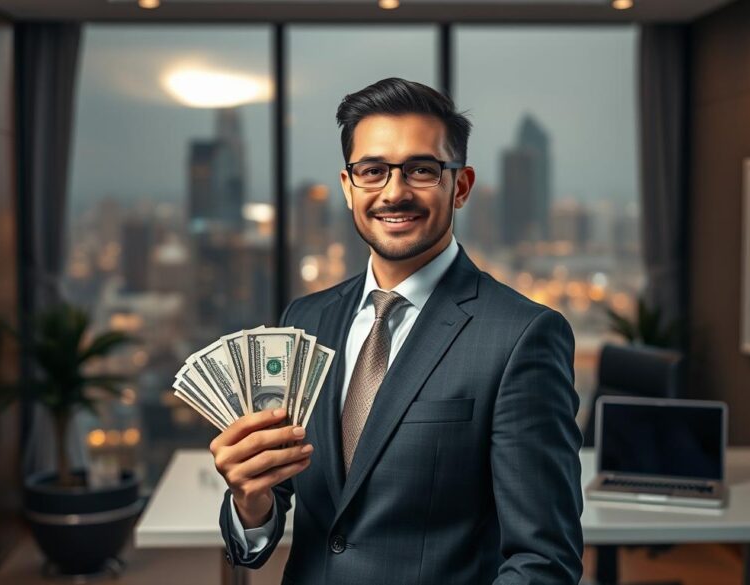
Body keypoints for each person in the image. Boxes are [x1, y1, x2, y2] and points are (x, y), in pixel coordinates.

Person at [209, 77, 583, 584]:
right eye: (373, 170)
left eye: (422, 170)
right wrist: (249, 501)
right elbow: (274, 514)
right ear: (348, 187)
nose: (394, 192)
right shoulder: (306, 319)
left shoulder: (522, 336)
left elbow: (543, 563)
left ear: (462, 185)